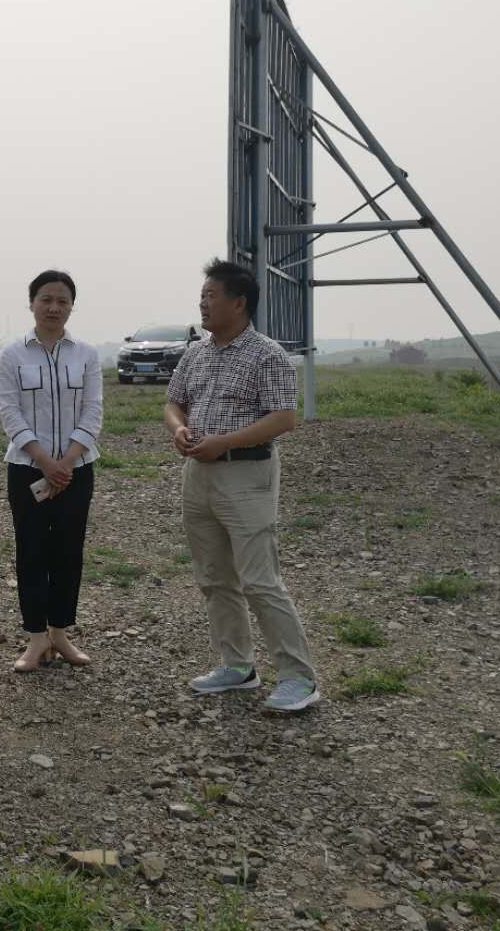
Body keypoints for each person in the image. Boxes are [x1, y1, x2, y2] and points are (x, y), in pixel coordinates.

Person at [163, 258, 320, 712]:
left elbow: (283, 418)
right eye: (202, 296)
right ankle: (237, 666)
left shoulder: (267, 355)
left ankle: (298, 677)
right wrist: (178, 429)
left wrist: (225, 442)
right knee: (214, 577)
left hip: (246, 475)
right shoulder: (196, 352)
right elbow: (173, 403)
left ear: (239, 303)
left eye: (211, 296)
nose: (203, 303)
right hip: (199, 475)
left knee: (260, 580)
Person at [0, 271, 103, 672]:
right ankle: (36, 637)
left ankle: (60, 632)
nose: (54, 307)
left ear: (72, 306)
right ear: (32, 303)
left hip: (77, 470)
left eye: (62, 300)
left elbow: (93, 410)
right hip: (27, 469)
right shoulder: (12, 356)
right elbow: (10, 412)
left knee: (69, 552)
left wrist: (67, 461)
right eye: (46, 299)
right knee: (32, 550)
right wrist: (44, 460)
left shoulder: (86, 355)